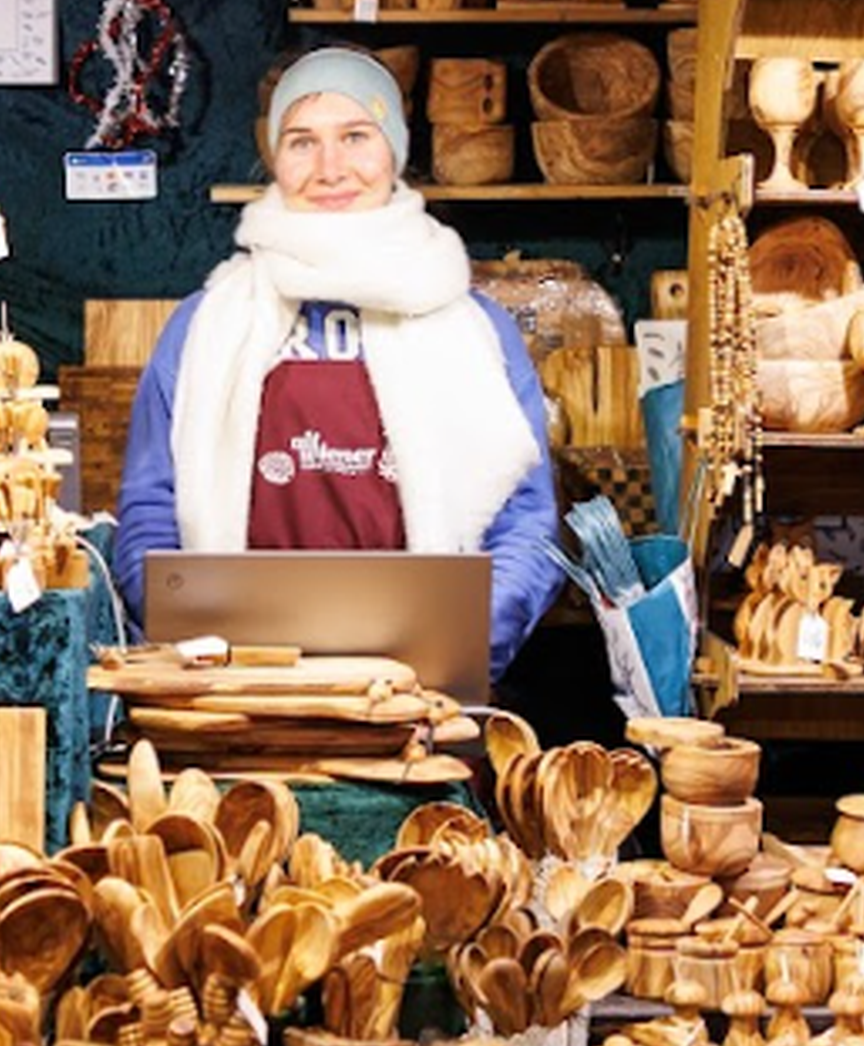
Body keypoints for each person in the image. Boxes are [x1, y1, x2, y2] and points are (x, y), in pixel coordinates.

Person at [110, 45, 564, 688]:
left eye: (356, 136)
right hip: (238, 696)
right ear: (274, 158)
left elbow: (526, 520)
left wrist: (464, 646)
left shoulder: (472, 328)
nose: (330, 168)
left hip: (419, 701)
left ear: (394, 152)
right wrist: (201, 659)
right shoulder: (206, 325)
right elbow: (151, 512)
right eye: (301, 142)